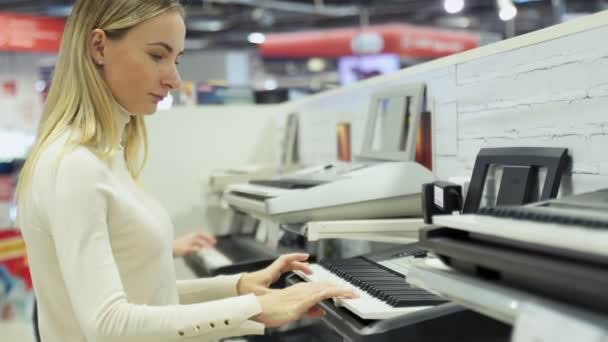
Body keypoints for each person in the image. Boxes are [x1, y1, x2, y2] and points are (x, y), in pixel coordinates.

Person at [15, 1, 356, 341]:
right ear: (99, 46)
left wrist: (237, 287)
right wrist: (256, 309)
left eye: (175, 59)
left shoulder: (101, 156)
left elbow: (145, 293)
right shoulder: (76, 164)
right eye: (157, 55)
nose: (174, 79)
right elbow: (109, 325)